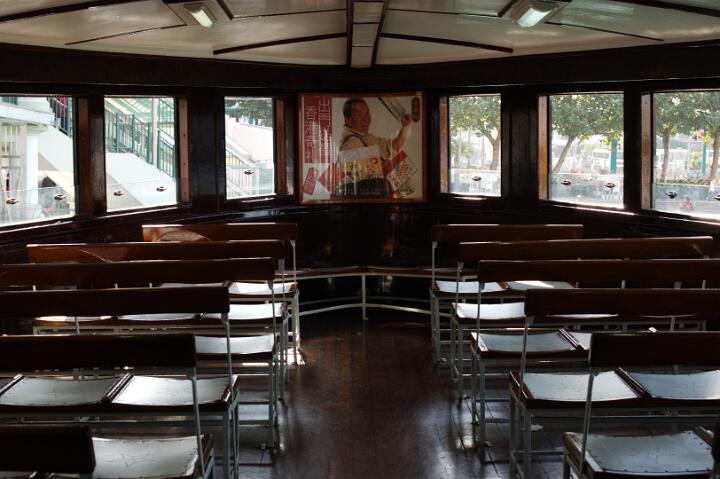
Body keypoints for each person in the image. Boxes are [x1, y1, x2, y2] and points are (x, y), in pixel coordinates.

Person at [333, 98, 412, 198]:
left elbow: (390, 147)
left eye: (367, 113)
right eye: (359, 115)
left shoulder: (365, 136)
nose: (366, 119)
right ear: (348, 120)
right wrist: (387, 164)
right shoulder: (351, 144)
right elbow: (371, 180)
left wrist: (406, 127)